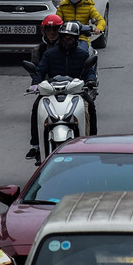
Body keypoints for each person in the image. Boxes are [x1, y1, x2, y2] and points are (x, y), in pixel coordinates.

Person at [27, 21, 97, 162]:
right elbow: (40, 71)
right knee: (36, 108)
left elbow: (89, 71)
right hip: (51, 90)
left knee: (91, 106)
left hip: (75, 90)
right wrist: (35, 84)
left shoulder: (82, 54)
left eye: (71, 37)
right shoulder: (49, 54)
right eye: (65, 37)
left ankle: (94, 141)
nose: (67, 40)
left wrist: (90, 81)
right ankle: (35, 145)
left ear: (76, 39)